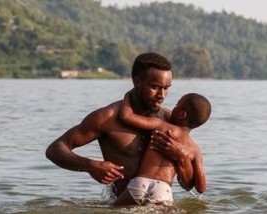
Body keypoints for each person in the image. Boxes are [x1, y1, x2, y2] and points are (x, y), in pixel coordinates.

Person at [45, 52, 195, 199]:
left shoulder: (170, 122)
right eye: (155, 87)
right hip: (122, 207)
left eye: (166, 88)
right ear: (137, 82)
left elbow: (188, 185)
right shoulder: (107, 118)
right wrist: (90, 165)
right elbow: (55, 149)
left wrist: (182, 157)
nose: (162, 95)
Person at [113, 90, 211, 206]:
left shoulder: (160, 125)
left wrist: (128, 95)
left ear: (182, 114)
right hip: (163, 190)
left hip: (140, 183)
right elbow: (201, 188)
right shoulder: (195, 149)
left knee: (114, 209)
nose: (173, 108)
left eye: (176, 105)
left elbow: (126, 116)